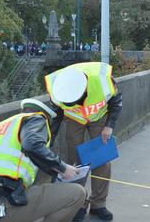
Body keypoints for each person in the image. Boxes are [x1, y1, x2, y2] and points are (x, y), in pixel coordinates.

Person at [0, 99, 85, 222]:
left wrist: (53, 169)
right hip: (0, 204)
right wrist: (63, 168)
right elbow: (32, 144)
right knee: (77, 193)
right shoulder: (37, 118)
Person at [45, 62, 122, 221]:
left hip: (99, 117)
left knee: (101, 160)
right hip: (74, 119)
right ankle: (78, 204)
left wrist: (109, 125)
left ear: (85, 89)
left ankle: (98, 204)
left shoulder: (102, 80)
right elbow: (56, 116)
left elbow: (116, 101)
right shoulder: (58, 86)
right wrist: (49, 139)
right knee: (73, 162)